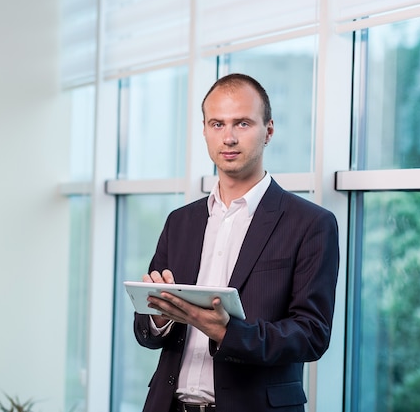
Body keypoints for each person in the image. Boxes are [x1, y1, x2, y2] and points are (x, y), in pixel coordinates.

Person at [133, 73, 340, 412]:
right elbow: (144, 331)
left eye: (242, 124)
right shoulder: (180, 222)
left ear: (268, 131)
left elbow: (312, 335)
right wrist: (160, 316)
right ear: (204, 131)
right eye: (217, 124)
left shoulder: (311, 224)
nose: (228, 138)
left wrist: (229, 333)